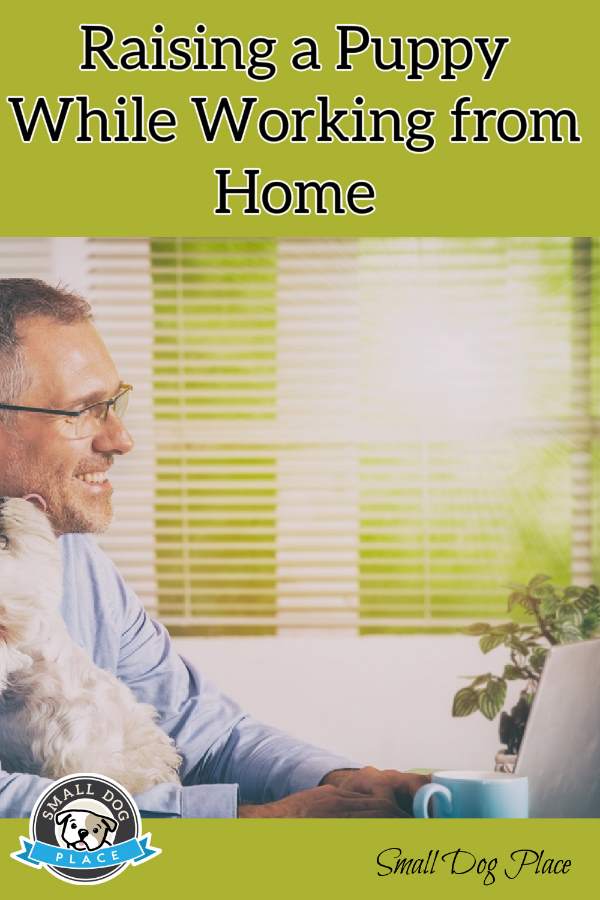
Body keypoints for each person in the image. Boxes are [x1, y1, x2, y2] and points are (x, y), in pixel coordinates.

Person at [0, 278, 427, 818]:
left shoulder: (77, 561)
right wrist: (254, 821)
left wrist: (348, 781)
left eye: (112, 404)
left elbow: (208, 738)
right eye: (83, 411)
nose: (120, 440)